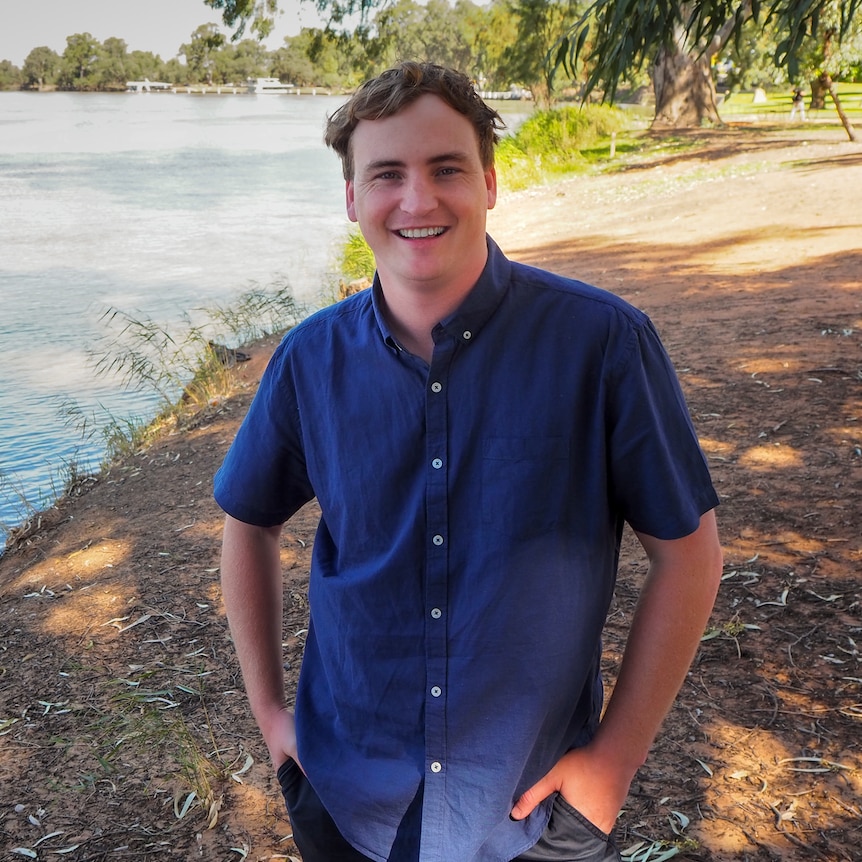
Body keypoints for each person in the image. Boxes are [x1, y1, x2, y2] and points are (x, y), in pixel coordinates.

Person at [215, 61, 723, 862]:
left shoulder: (603, 344)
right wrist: (273, 717)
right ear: (353, 199)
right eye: (387, 174)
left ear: (489, 181)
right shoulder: (308, 359)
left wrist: (614, 764)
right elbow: (248, 524)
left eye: (445, 168)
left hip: (533, 810)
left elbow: (690, 556)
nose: (417, 201)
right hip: (345, 794)